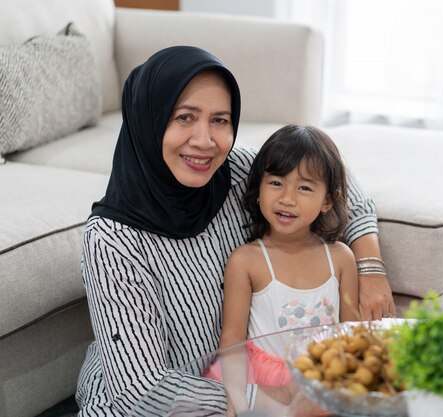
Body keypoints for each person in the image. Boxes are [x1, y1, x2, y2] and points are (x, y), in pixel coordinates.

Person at [76, 46, 395, 416]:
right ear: (149, 118)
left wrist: (370, 268)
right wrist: (273, 403)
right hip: (159, 403)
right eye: (184, 117)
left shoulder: (239, 172)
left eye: (220, 120)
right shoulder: (111, 240)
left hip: (254, 380)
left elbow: (340, 187)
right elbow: (143, 390)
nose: (205, 140)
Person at [204, 125, 360, 410]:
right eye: (276, 183)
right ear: (259, 189)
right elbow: (232, 339)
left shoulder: (340, 258)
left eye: (304, 188)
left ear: (327, 200)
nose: (287, 198)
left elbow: (351, 335)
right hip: (266, 382)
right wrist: (235, 400)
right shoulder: (246, 260)